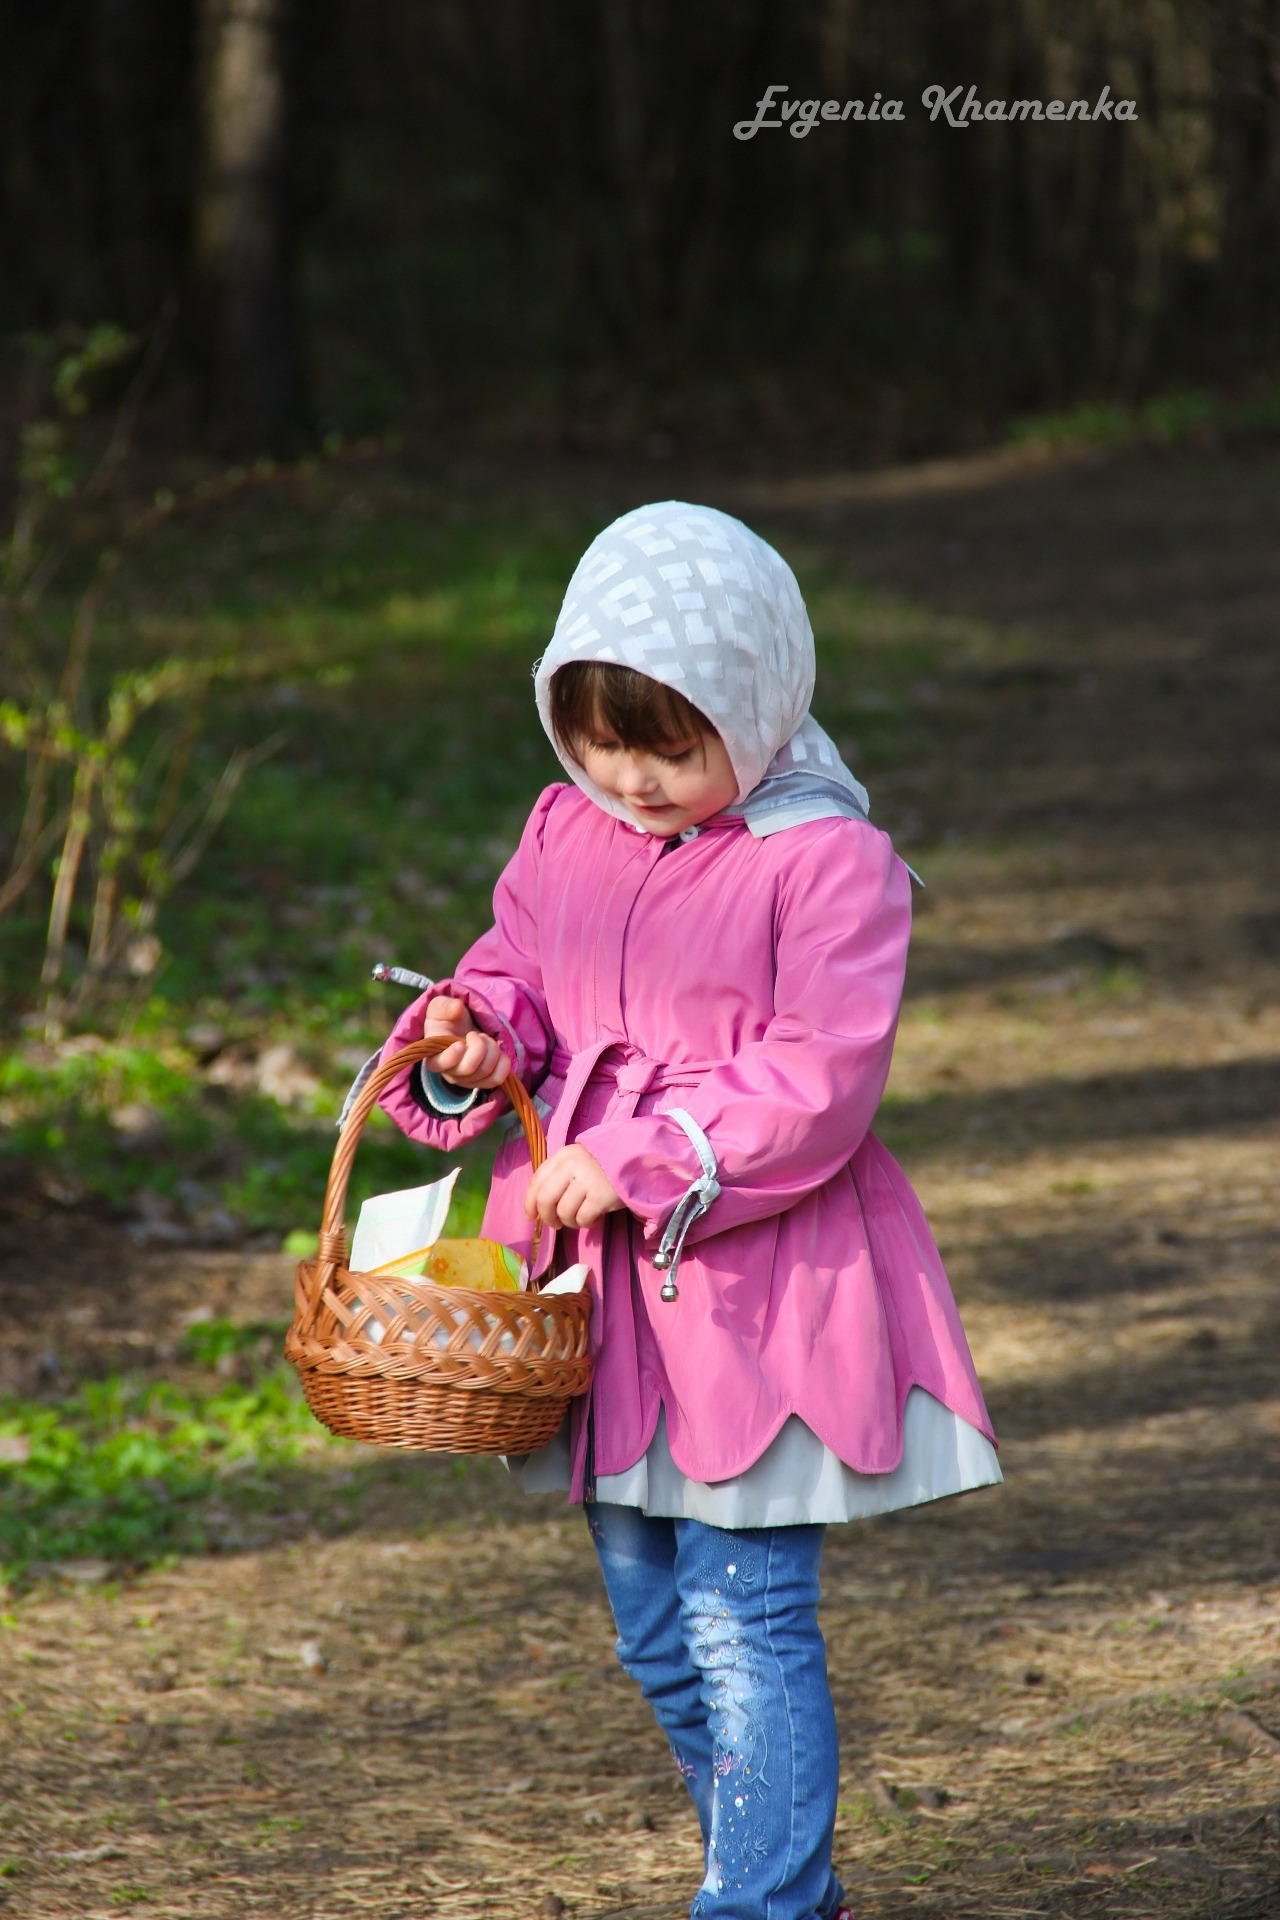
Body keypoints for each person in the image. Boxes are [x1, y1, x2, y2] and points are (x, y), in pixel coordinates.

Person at [374, 502, 1000, 1920]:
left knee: (743, 1617)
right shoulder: (567, 828)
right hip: (600, 1306)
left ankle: (763, 1900)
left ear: (759, 707)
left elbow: (820, 1073)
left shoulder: (824, 860)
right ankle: (779, 1873)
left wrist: (658, 1151)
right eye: (603, 741)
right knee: (659, 1633)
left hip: (752, 1295)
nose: (636, 779)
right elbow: (518, 968)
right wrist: (477, 1035)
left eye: (673, 743)